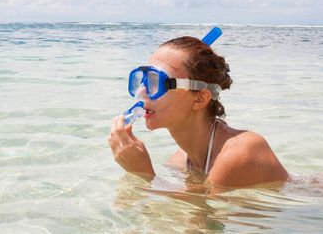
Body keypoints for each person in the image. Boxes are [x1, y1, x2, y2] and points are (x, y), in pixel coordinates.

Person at [108, 35, 289, 191]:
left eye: (156, 82)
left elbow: (205, 223)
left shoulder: (240, 151)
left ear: (199, 98)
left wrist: (143, 174)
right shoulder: (180, 161)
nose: (141, 93)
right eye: (142, 81)